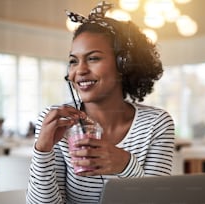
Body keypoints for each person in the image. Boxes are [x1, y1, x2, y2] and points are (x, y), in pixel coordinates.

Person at [26, 2, 175, 203]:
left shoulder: (156, 123)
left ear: (124, 64)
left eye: (93, 58)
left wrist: (126, 164)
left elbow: (158, 201)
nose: (79, 70)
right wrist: (42, 151)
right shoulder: (56, 121)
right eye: (73, 61)